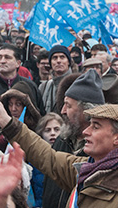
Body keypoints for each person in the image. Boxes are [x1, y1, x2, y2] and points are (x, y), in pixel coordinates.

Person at [0, 98, 118, 207]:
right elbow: (46, 156)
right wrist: (6, 122)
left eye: (96, 126)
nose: (86, 131)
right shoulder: (87, 168)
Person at [43, 69, 105, 208]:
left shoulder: (103, 149)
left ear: (87, 111)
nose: (63, 110)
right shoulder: (61, 140)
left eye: (69, 105)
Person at [39, 45, 72, 113]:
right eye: (55, 58)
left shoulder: (77, 83)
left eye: (62, 57)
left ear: (68, 61)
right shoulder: (43, 86)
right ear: (50, 63)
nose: (58, 61)